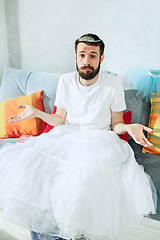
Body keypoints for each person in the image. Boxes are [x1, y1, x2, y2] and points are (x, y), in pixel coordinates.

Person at [0, 33, 157, 240]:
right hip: (66, 135)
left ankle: (66, 233)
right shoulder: (66, 80)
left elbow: (116, 124)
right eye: (82, 55)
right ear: (75, 57)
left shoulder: (113, 84)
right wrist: (36, 113)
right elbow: (59, 119)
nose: (86, 61)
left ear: (101, 58)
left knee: (81, 184)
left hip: (100, 139)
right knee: (28, 170)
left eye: (92, 55)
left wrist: (128, 128)